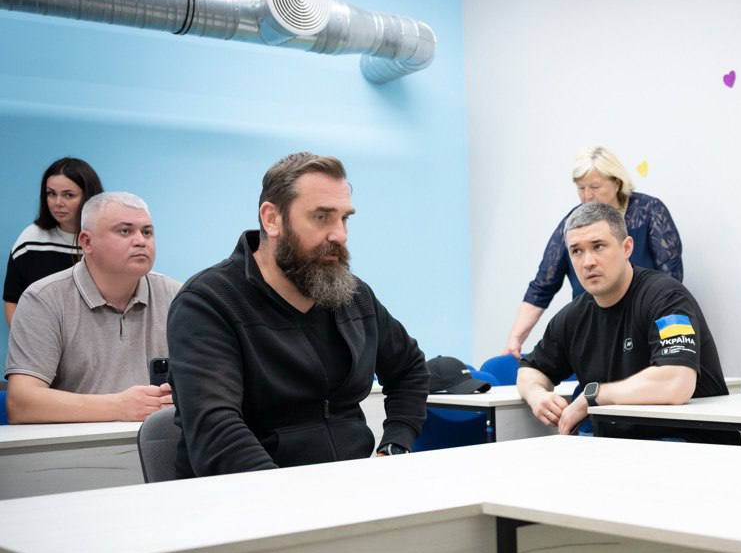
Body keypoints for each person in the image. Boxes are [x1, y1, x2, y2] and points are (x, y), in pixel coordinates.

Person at [166, 152, 430, 477]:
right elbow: (216, 431)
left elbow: (409, 369)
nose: (339, 234)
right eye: (322, 217)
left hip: (350, 487)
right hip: (248, 495)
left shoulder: (353, 295)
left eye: (344, 219)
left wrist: (395, 445)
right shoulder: (208, 303)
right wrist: (290, 498)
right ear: (272, 219)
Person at [517, 202, 727, 439]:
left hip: (690, 447)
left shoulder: (667, 298)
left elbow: (676, 382)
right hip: (616, 449)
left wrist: (593, 396)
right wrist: (537, 396)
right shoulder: (572, 317)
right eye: (576, 251)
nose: (588, 262)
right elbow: (531, 369)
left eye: (598, 246)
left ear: (627, 247)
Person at [5, 192, 179, 424]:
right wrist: (119, 407)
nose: (141, 241)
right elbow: (21, 404)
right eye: (125, 231)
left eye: (147, 232)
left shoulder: (177, 296)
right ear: (87, 242)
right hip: (74, 443)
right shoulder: (43, 299)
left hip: (159, 440)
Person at [503, 146, 684, 356]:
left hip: (644, 326)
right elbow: (543, 285)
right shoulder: (574, 224)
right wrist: (516, 339)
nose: (587, 195)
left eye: (595, 187)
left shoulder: (649, 211)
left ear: (617, 182)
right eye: (581, 188)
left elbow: (670, 282)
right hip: (593, 328)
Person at [5, 157, 104, 325]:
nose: (58, 203)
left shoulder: (106, 240)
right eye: (51, 194)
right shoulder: (30, 241)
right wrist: (25, 338)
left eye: (68, 195)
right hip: (41, 337)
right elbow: (12, 300)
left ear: (88, 197)